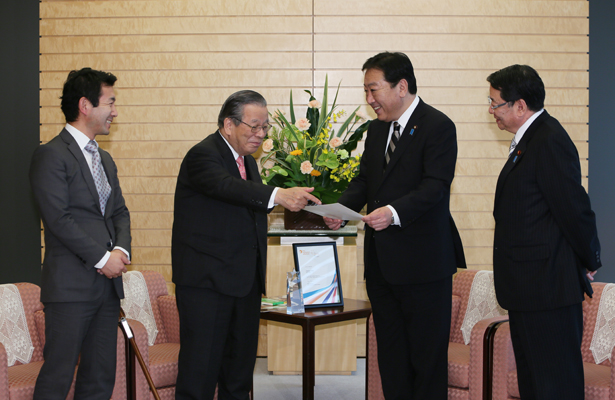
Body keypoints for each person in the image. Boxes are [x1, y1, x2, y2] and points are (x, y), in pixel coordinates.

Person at [324, 52, 466, 400]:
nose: (369, 99)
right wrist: (342, 208)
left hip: (424, 265)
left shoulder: (438, 126)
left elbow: (435, 186)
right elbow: (365, 181)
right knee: (391, 356)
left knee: (426, 358)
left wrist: (392, 211)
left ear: (402, 86)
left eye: (374, 90)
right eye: (366, 91)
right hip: (381, 266)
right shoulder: (376, 129)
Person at [172, 90, 320, 400]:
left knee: (238, 376)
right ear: (229, 124)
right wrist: (278, 194)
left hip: (245, 283)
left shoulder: (247, 162)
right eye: (254, 126)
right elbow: (228, 187)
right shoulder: (204, 155)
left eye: (265, 126)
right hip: (207, 286)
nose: (261, 134)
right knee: (199, 376)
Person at [488, 64, 601, 399]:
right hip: (528, 288)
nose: (491, 111)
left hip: (547, 289)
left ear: (520, 106)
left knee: (555, 385)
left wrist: (588, 257)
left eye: (496, 104)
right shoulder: (530, 140)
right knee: (535, 384)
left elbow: (574, 208)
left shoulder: (549, 140)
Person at [29, 68, 131, 399]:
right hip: (70, 288)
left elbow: (119, 213)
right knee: (57, 377)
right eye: (110, 102)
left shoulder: (105, 159)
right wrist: (102, 258)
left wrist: (121, 252)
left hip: (107, 288)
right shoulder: (51, 155)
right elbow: (58, 219)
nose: (114, 111)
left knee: (100, 378)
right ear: (85, 105)